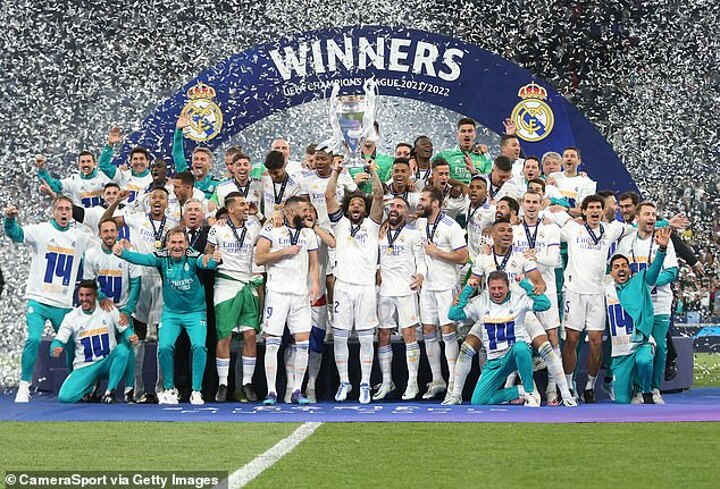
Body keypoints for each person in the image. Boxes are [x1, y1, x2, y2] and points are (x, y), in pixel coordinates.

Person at [113, 227, 220, 404]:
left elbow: (205, 263)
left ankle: (196, 391)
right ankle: (170, 389)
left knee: (199, 347)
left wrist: (214, 260)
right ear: (167, 244)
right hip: (171, 314)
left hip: (195, 313)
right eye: (173, 242)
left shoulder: (193, 256)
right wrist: (122, 253)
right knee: (164, 347)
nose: (177, 246)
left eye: (180, 242)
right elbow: (141, 258)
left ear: (187, 244)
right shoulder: (162, 257)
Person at [4, 196, 93, 403]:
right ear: (53, 211)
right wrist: (9, 220)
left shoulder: (80, 237)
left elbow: (101, 246)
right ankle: (24, 386)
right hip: (39, 298)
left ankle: (74, 384)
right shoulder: (41, 230)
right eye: (60, 208)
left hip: (62, 303)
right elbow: (16, 234)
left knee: (72, 344)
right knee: (34, 339)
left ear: (72, 213)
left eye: (68, 209)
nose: (64, 212)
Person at [548, 194, 633, 402]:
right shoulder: (572, 228)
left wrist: (666, 223)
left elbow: (636, 228)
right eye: (591, 208)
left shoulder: (611, 229)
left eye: (598, 207)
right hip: (574, 291)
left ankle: (589, 386)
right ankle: (568, 385)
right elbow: (550, 219)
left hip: (597, 292)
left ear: (603, 211)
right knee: (572, 340)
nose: (595, 211)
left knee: (596, 342)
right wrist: (552, 212)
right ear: (584, 211)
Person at [102, 186, 180, 403]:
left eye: (162, 197)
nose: (157, 200)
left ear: (167, 203)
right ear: (148, 201)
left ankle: (162, 389)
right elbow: (106, 222)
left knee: (163, 338)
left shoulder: (174, 223)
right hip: (140, 279)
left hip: (164, 280)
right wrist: (116, 201)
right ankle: (137, 390)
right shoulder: (137, 218)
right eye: (154, 197)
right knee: (139, 337)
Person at [325, 158, 384, 404]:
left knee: (366, 338)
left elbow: (379, 196)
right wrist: (336, 171)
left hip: (366, 288)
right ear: (348, 209)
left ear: (365, 209)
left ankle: (365, 384)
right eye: (353, 204)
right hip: (343, 287)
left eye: (360, 203)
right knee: (340, 337)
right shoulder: (340, 224)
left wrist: (372, 171)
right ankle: (344, 382)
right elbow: (329, 196)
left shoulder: (372, 225)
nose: (356, 206)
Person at [448, 271, 549, 406]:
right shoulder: (480, 301)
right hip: (494, 360)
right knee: (479, 401)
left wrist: (525, 284)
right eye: (493, 288)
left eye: (500, 288)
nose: (497, 292)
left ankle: (530, 392)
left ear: (508, 287)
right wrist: (467, 290)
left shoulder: (518, 299)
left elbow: (545, 304)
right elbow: (453, 315)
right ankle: (520, 391)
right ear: (488, 288)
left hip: (513, 354)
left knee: (521, 347)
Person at [255, 196, 320, 405]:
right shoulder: (271, 229)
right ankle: (271, 391)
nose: (307, 214)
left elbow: (314, 264)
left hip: (300, 294)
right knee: (272, 342)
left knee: (303, 342)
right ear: (291, 212)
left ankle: (297, 390)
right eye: (304, 210)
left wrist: (315, 284)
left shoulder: (309, 234)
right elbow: (259, 258)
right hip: (277, 293)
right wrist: (284, 251)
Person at [617, 202, 679, 404]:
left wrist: (649, 283)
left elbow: (672, 271)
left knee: (659, 346)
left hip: (659, 301)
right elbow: (619, 269)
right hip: (636, 304)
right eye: (647, 214)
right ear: (637, 218)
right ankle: (638, 389)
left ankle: (654, 389)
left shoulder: (664, 240)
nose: (651, 217)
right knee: (638, 346)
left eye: (654, 214)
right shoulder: (627, 242)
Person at [205, 192, 263, 403]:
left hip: (247, 284)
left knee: (250, 334)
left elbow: (273, 230)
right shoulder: (217, 229)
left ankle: (247, 383)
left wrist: (259, 214)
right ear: (230, 209)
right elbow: (206, 254)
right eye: (241, 204)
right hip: (225, 284)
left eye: (246, 204)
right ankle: (223, 384)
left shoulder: (254, 226)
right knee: (225, 335)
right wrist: (212, 257)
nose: (246, 207)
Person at [606, 227, 672, 404]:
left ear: (630, 269)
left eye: (624, 266)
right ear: (610, 272)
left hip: (640, 343)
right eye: (616, 267)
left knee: (644, 360)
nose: (621, 269)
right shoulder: (605, 289)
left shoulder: (640, 282)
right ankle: (632, 388)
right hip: (620, 352)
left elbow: (654, 272)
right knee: (621, 401)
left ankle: (646, 391)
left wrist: (662, 250)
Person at [415, 187, 469, 401]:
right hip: (427, 286)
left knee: (448, 331)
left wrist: (437, 252)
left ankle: (454, 383)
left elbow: (463, 257)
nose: (420, 202)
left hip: (446, 285)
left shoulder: (451, 226)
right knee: (428, 330)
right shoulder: (420, 224)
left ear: (435, 203)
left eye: (423, 199)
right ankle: (437, 380)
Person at [82, 218, 142, 403]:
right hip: (101, 309)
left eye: (112, 231)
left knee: (128, 347)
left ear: (118, 233)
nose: (109, 234)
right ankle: (93, 387)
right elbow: (89, 283)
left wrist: (128, 310)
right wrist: (100, 297)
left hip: (123, 308)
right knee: (98, 347)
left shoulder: (128, 253)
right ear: (99, 234)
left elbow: (136, 282)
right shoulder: (91, 254)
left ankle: (129, 390)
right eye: (105, 231)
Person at [51, 280, 139, 403]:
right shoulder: (71, 317)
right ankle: (90, 386)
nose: (84, 299)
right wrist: (55, 347)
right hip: (85, 366)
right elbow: (59, 340)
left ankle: (110, 392)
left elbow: (125, 329)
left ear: (95, 296)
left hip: (106, 362)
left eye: (88, 295)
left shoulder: (108, 309)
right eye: (81, 295)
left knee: (123, 350)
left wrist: (131, 336)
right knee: (65, 398)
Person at [376, 196, 426, 400]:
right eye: (392, 206)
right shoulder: (379, 232)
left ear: (406, 212)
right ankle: (387, 381)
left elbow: (421, 259)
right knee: (383, 334)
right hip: (384, 290)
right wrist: (377, 270)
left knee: (409, 334)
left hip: (406, 288)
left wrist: (421, 275)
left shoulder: (413, 233)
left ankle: (412, 383)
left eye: (399, 206)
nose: (394, 209)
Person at [35, 152, 114, 208]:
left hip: (104, 222)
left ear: (94, 163)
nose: (86, 164)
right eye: (83, 162)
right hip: (83, 224)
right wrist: (42, 169)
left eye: (88, 161)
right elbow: (54, 187)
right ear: (78, 164)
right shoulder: (73, 180)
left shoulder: (104, 177)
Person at [99, 126, 153, 203]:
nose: (138, 162)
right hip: (122, 210)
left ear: (148, 162)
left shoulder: (152, 180)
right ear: (130, 162)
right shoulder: (123, 175)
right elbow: (104, 165)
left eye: (141, 159)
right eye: (135, 159)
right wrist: (110, 145)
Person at [174, 115, 221, 199]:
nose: (199, 162)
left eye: (203, 160)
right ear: (192, 163)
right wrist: (179, 131)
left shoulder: (217, 185)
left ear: (210, 164)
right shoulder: (185, 178)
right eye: (196, 159)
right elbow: (178, 154)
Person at [433, 118, 492, 183]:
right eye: (463, 131)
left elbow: (489, 181)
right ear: (458, 134)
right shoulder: (445, 155)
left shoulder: (485, 156)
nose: (467, 134)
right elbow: (428, 167)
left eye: (470, 131)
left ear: (475, 134)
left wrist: (475, 172)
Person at [548, 147, 596, 215]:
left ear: (579, 161)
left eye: (572, 156)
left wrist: (566, 209)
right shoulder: (552, 177)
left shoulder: (587, 183)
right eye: (566, 156)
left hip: (573, 219)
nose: (569, 159)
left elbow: (584, 211)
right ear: (562, 161)